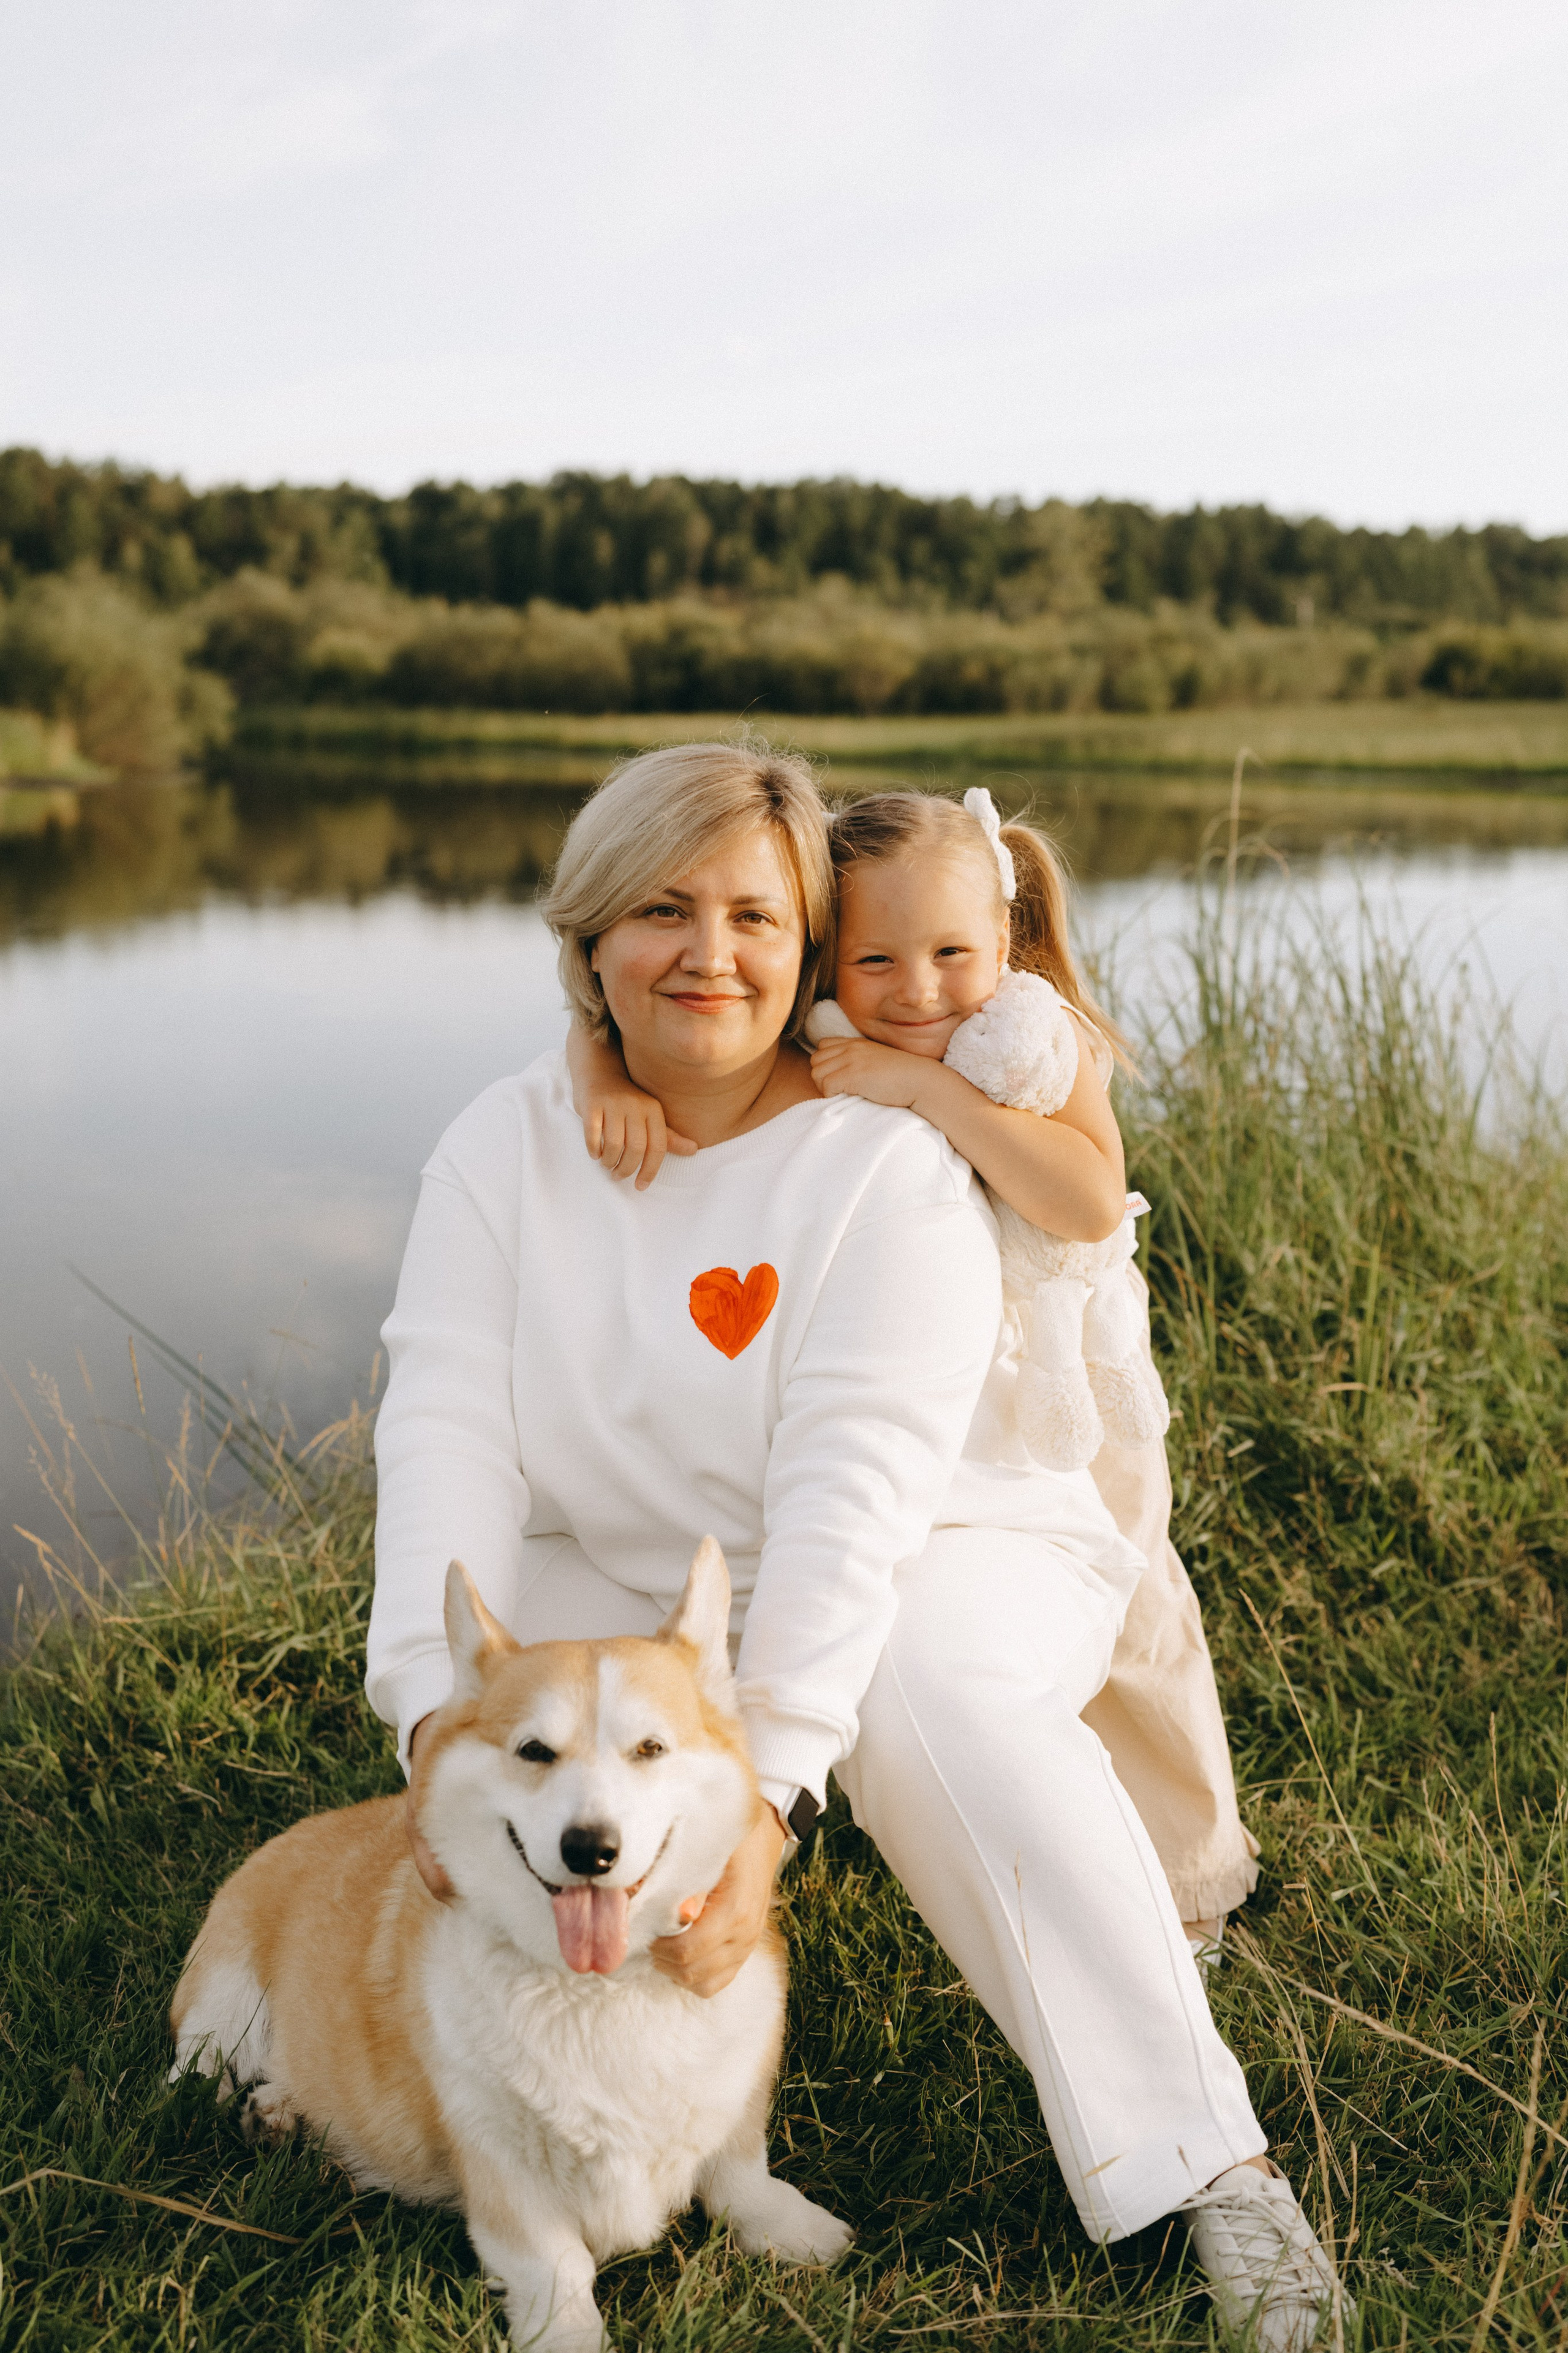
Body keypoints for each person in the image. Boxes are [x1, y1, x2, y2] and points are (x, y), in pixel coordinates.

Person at [368, 741, 1343, 2349]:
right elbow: (447, 1427)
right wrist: (425, 1710)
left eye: (755, 915)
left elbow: (857, 1486)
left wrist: (768, 1789)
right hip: (637, 1561)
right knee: (508, 1724)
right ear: (593, 941)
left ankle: (1204, 2155)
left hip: (950, 1531)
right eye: (662, 912)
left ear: (807, 940)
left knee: (921, 1692)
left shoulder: (882, 1147)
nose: (709, 952)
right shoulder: (505, 1142)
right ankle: (531, 2112)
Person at [571, 782, 1259, 1954]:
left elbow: (1089, 1200)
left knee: (1137, 1619)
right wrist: (603, 1077)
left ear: (1005, 938)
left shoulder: (1034, 1035)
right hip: (936, 1401)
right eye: (877, 958)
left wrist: (935, 1094)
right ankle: (909, 1819)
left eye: (952, 952)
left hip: (1068, 1396)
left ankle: (1195, 1872)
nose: (919, 990)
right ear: (829, 956)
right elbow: (615, 1008)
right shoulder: (824, 1026)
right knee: (914, 1613)